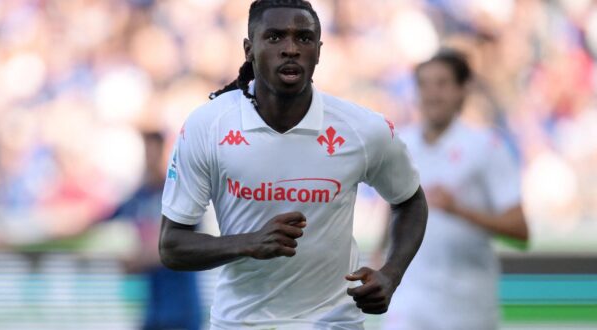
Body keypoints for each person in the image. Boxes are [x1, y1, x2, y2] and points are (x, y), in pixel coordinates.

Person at [158, 1, 428, 329]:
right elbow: (171, 246)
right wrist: (249, 242)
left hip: (333, 323)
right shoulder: (208, 126)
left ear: (318, 51)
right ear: (249, 49)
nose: (290, 49)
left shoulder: (362, 129)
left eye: (303, 38)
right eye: (274, 38)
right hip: (241, 323)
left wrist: (392, 273)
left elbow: (410, 200)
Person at [380, 50, 529, 330]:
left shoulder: (486, 146)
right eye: (424, 84)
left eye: (442, 83)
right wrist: (379, 252)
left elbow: (520, 229)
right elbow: (393, 205)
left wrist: (458, 209)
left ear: (463, 91)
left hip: (466, 305)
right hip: (410, 298)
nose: (432, 93)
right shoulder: (401, 144)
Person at [110, 131, 201, 330]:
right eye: (146, 153)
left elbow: (178, 244)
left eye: (154, 153)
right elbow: (101, 221)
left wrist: (138, 261)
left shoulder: (182, 194)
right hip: (152, 306)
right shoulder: (138, 197)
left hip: (181, 307)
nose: (149, 159)